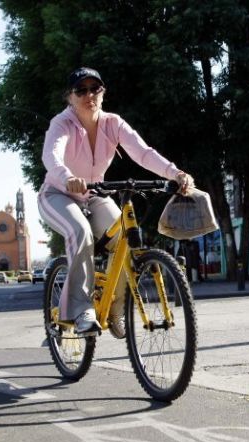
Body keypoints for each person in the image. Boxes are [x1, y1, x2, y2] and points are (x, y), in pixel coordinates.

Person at [37, 67, 195, 338]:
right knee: (80, 232)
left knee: (125, 237)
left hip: (94, 193)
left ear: (103, 93)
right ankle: (80, 309)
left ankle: (116, 309)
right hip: (57, 193)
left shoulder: (113, 123)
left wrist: (176, 174)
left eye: (95, 89)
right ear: (70, 97)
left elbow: (143, 153)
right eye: (81, 90)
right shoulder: (61, 123)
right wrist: (68, 178)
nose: (89, 95)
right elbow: (51, 157)